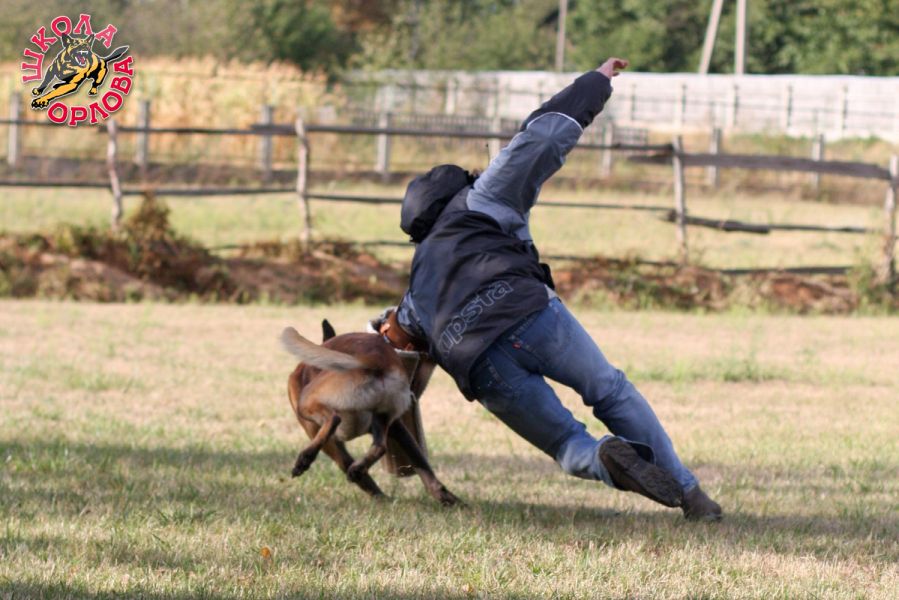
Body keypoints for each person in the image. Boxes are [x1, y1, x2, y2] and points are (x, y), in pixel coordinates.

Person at [379, 58, 722, 520]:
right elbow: (539, 139)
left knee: (565, 443)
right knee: (609, 390)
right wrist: (595, 83)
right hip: (525, 311)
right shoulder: (481, 197)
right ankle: (691, 495)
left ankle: (602, 458)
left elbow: (398, 337)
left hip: (476, 361)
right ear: (458, 188)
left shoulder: (419, 275)